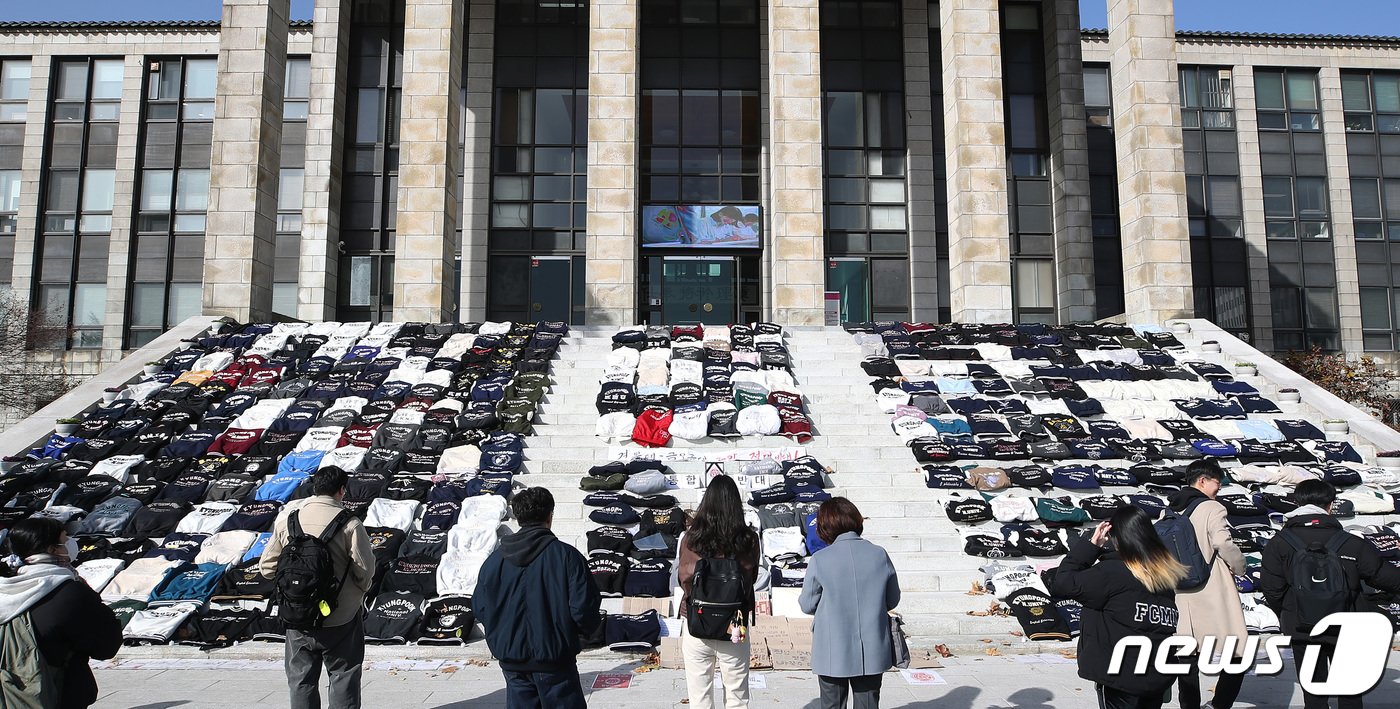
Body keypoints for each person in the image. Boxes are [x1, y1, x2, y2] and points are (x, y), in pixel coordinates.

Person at [1260, 479, 1400, 709]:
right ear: (1331, 505)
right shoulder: (1352, 543)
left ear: (1297, 503)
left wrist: (1290, 610)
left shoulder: (1279, 543)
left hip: (1301, 628)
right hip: (1347, 624)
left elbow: (1272, 589)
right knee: (1350, 691)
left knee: (1314, 692)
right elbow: (1383, 577)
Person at [1047, 505, 1187, 709]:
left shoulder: (1111, 572)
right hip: (1155, 675)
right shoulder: (1165, 575)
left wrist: (1091, 546)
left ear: (1117, 538)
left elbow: (1062, 583)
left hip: (1121, 675)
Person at [474, 487, 602, 709]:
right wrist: (574, 638)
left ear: (517, 517)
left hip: (513, 658)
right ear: (550, 515)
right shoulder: (567, 557)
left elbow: (480, 607)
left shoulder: (493, 562)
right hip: (554, 659)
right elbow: (583, 608)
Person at [261, 466, 375, 709]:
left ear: (315, 487)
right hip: (340, 616)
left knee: (301, 681)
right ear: (341, 491)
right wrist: (358, 593)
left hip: (298, 616)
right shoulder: (350, 524)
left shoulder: (289, 520)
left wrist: (296, 589)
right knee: (343, 677)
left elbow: (267, 567)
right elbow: (364, 571)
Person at [0, 517, 121, 708]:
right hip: (58, 695)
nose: (69, 547)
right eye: (64, 542)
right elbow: (107, 646)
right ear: (52, 550)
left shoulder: (4, 588)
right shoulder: (69, 593)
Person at [798, 497, 900, 709]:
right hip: (873, 645)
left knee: (832, 704)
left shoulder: (820, 559)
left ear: (825, 526)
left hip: (831, 646)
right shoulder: (879, 554)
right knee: (868, 704)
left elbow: (807, 604)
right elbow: (892, 600)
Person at [1169, 460, 1249, 709]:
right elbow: (1223, 543)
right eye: (1218, 482)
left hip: (1179, 590)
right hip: (1212, 589)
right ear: (1202, 481)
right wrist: (1240, 567)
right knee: (1237, 653)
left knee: (1187, 655)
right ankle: (1220, 704)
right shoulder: (1212, 507)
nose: (1220, 488)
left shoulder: (1170, 510)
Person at [677, 475, 760, 709]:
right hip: (734, 623)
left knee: (699, 699)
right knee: (737, 697)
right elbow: (750, 579)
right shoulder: (749, 539)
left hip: (697, 622)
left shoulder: (691, 539)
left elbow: (683, 577)